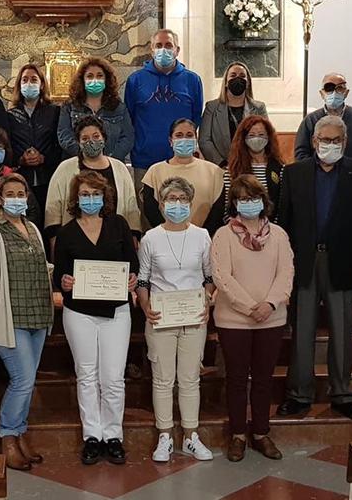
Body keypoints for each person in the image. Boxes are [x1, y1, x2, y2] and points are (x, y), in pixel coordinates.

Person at [275, 116, 352, 422]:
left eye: (336, 140)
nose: (330, 145)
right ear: (314, 141)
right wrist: (281, 267)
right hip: (303, 263)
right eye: (325, 140)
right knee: (302, 331)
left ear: (345, 143)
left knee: (342, 332)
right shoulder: (293, 173)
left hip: (344, 264)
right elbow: (284, 224)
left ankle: (342, 394)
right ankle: (299, 394)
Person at [53, 172, 139, 466]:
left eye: (95, 194)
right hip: (79, 312)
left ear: (105, 197)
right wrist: (64, 282)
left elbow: (133, 264)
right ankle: (92, 435)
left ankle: (113, 435)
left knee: (113, 377)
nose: (90, 199)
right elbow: (59, 275)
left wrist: (132, 279)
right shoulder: (66, 233)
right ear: (76, 199)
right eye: (85, 194)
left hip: (116, 310)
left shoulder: (119, 225)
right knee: (87, 375)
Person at [0, 173, 53, 471]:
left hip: (38, 314)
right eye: (10, 194)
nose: (16, 198)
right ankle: (7, 437)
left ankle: (19, 435)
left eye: (21, 193)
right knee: (22, 380)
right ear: (0, 199)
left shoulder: (33, 229)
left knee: (28, 382)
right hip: (10, 316)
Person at [212, 174, 293, 462]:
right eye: (243, 199)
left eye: (254, 198)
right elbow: (222, 277)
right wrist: (250, 308)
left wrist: (269, 304)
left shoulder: (279, 235)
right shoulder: (223, 235)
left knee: (263, 378)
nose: (249, 203)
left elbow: (286, 272)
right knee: (236, 379)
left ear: (263, 201)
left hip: (271, 317)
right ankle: (237, 434)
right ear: (234, 203)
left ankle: (260, 432)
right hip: (233, 320)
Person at [136, 177, 214, 463]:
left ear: (190, 203)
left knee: (190, 378)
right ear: (161, 204)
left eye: (182, 199)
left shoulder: (202, 236)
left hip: (194, 316)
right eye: (171, 199)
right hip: (160, 316)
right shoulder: (150, 238)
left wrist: (207, 300)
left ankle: (191, 436)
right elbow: (143, 279)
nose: (177, 204)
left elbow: (209, 275)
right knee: (163, 379)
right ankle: (165, 435)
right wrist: (145, 306)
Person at [124, 29, 204, 190]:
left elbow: (195, 118)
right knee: (146, 205)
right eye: (158, 45)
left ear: (177, 50)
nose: (163, 50)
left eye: (168, 45)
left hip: (181, 158)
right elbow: (129, 118)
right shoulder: (135, 80)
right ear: (152, 50)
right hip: (145, 160)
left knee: (182, 202)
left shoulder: (192, 80)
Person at [44, 116, 140, 244]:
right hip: (75, 242)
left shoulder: (120, 168)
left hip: (115, 240)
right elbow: (53, 208)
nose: (91, 142)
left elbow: (131, 206)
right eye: (85, 138)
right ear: (78, 142)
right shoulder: (65, 168)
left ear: (104, 138)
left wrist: (133, 236)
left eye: (96, 136)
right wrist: (54, 241)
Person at [141, 118, 225, 235]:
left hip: (205, 237)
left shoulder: (214, 171)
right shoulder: (155, 171)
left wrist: (202, 234)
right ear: (170, 140)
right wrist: (167, 232)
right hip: (165, 236)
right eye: (179, 135)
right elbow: (150, 209)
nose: (184, 139)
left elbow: (218, 210)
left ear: (196, 139)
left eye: (189, 135)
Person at [7, 63, 62, 225]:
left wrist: (44, 158)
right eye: (25, 80)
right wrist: (20, 159)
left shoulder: (54, 112)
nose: (29, 83)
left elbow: (60, 145)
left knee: (49, 223)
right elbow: (7, 146)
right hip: (22, 180)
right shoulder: (10, 115)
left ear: (42, 84)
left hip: (49, 179)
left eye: (33, 79)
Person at [57, 57, 134, 161]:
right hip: (78, 163)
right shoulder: (69, 106)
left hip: (111, 163)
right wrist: (86, 155)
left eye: (99, 76)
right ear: (82, 80)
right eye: (90, 76)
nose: (95, 80)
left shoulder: (119, 107)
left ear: (106, 79)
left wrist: (107, 159)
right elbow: (64, 135)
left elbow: (127, 138)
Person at [294, 73, 352, 166]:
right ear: (321, 93)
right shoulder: (310, 121)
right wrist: (320, 170)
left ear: (346, 93)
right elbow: (301, 154)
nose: (334, 93)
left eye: (339, 88)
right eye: (329, 89)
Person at [198, 62, 268, 166]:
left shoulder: (259, 108)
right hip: (220, 167)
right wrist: (221, 163)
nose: (237, 79)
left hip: (251, 165)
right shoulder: (211, 107)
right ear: (226, 82)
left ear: (248, 82)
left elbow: (266, 136)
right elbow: (204, 140)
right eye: (233, 75)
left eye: (242, 76)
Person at [221, 116, 285, 223]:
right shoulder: (232, 170)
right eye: (251, 135)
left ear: (268, 137)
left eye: (261, 135)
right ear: (243, 138)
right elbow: (226, 206)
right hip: (239, 226)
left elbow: (282, 204)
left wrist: (272, 227)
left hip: (271, 226)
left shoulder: (279, 168)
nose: (256, 138)